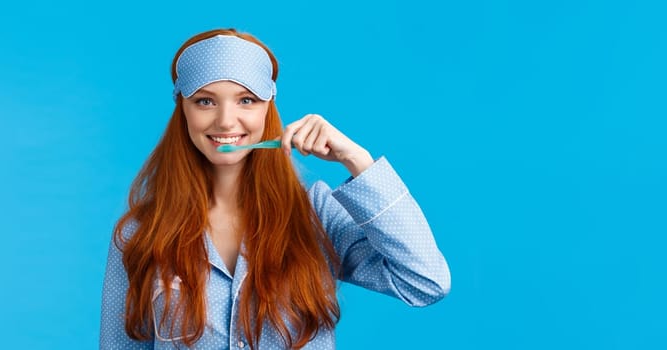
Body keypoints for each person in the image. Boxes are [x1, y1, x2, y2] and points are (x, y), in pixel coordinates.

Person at [100, 28, 451, 350]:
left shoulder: (316, 214)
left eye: (246, 100)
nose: (225, 120)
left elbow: (424, 281)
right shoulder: (141, 233)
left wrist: (358, 162)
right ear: (183, 110)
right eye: (205, 101)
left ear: (269, 108)